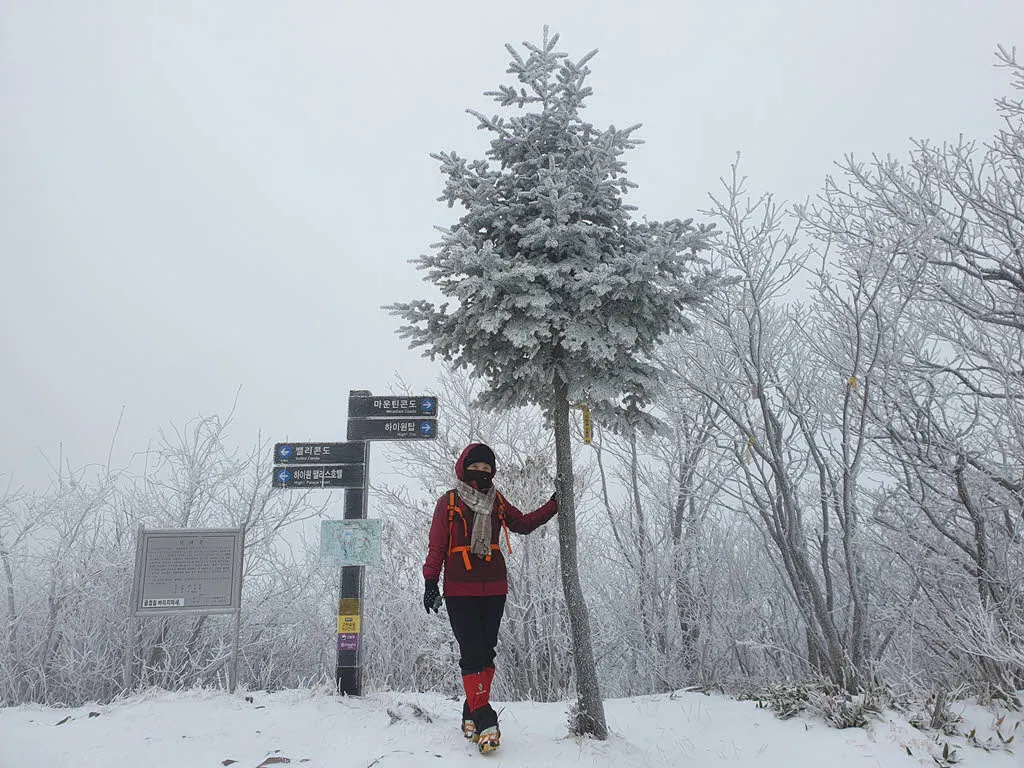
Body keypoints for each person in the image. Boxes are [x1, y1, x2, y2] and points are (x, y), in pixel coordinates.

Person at [422, 442, 557, 754]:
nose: (481, 472)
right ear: (463, 468)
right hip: (459, 589)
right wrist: (430, 581)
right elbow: (437, 546)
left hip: (495, 588)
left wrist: (553, 505)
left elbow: (522, 524)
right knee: (472, 653)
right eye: (476, 467)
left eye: (486, 468)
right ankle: (485, 720)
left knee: (486, 652)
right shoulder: (449, 502)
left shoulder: (497, 501)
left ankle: (470, 713)